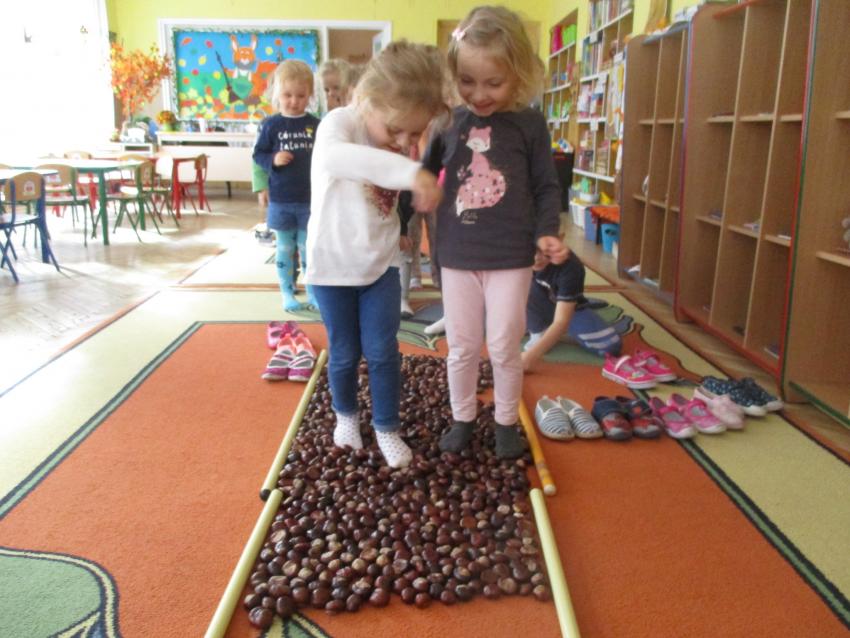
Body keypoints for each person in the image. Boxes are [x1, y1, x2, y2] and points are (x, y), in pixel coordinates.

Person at [423, 6, 568, 459]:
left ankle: (506, 421)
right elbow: (422, 175)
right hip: (457, 255)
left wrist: (546, 232)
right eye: (467, 81)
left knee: (505, 345)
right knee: (462, 347)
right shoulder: (447, 121)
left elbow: (546, 185)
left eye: (494, 83)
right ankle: (463, 417)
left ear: (518, 75)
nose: (479, 94)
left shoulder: (530, 123)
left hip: (511, 256)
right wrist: (407, 212)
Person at [306, 41, 446, 469]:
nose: (404, 142)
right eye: (397, 130)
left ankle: (386, 426)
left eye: (414, 134)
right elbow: (338, 159)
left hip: (380, 267)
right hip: (332, 269)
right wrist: (412, 171)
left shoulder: (396, 135)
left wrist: (403, 225)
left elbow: (385, 198)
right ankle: (346, 417)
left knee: (383, 351)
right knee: (345, 352)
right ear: (368, 99)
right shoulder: (339, 124)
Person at [253, 60, 322, 311]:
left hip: (310, 201)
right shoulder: (271, 125)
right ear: (276, 94)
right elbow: (258, 154)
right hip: (281, 200)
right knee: (284, 248)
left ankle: (312, 291)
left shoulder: (316, 125)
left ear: (310, 95)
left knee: (308, 249)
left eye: (301, 96)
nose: (294, 101)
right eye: (287, 95)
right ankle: (286, 291)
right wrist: (273, 159)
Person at [522, 244, 624, 371]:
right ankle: (539, 328)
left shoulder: (571, 267)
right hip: (535, 301)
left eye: (544, 250)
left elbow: (561, 321)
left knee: (610, 346)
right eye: (531, 249)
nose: (537, 257)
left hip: (566, 307)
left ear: (559, 239)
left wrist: (530, 357)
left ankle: (556, 325)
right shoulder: (514, 253)